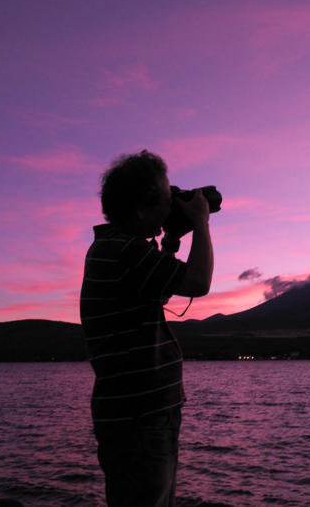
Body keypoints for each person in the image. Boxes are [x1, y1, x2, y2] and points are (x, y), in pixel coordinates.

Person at [80, 150, 214, 507]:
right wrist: (201, 222)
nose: (173, 208)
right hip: (140, 419)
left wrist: (170, 242)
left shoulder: (115, 247)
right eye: (168, 200)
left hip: (137, 416)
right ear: (140, 209)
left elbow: (158, 285)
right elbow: (198, 282)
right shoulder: (126, 250)